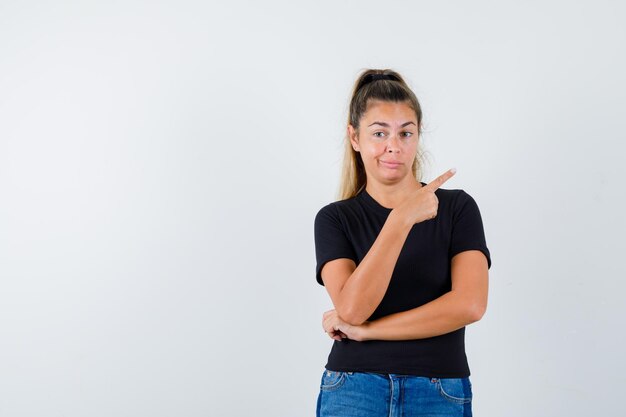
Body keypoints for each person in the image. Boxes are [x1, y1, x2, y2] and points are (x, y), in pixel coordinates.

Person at [313, 69, 492, 417]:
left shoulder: (457, 208)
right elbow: (352, 310)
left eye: (405, 133)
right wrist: (400, 220)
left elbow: (470, 305)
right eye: (379, 133)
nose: (393, 146)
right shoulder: (335, 219)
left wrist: (369, 332)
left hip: (439, 389)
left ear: (417, 136)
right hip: (354, 388)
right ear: (355, 138)